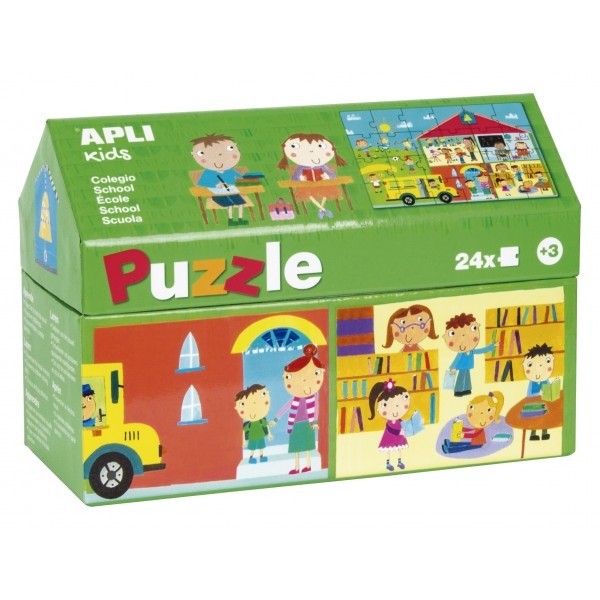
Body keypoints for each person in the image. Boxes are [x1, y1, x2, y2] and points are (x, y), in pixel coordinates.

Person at [271, 344, 325, 474]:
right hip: (295, 424)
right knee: (296, 447)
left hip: (307, 424)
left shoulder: (313, 398)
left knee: (306, 447)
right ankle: (296, 467)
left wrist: (315, 422)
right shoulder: (295, 399)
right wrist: (276, 419)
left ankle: (308, 465)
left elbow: (316, 409)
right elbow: (285, 408)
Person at [277, 133, 347, 219]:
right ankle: (323, 209)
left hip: (322, 183)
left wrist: (327, 177)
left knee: (327, 192)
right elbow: (295, 177)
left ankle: (321, 209)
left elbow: (331, 173)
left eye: (321, 146)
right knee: (308, 195)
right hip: (307, 185)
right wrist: (301, 178)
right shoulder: (301, 167)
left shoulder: (322, 166)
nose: (311, 151)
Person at [191, 134, 252, 227]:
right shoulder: (208, 172)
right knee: (230, 204)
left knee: (241, 203)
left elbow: (240, 177)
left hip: (232, 192)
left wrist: (239, 180)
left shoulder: (229, 170)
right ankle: (231, 220)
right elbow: (201, 183)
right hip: (218, 195)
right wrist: (215, 185)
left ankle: (240, 219)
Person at [444, 313, 498, 397]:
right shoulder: (461, 353)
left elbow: (481, 350)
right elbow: (456, 360)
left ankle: (467, 389)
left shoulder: (472, 351)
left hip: (467, 367)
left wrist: (492, 346)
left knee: (467, 378)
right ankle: (458, 391)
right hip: (461, 368)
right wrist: (453, 367)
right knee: (461, 378)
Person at [368, 379, 411, 471]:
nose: (395, 409)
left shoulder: (400, 421)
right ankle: (388, 463)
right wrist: (400, 432)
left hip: (400, 435)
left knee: (399, 448)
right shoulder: (390, 422)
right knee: (388, 449)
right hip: (390, 436)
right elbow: (390, 429)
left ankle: (399, 462)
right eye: (385, 405)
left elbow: (405, 425)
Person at [522, 343, 555, 441]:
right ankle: (533, 434)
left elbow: (549, 390)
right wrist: (538, 395)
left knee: (545, 417)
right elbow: (529, 395)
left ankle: (544, 433)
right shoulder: (532, 383)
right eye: (530, 365)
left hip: (544, 404)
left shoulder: (546, 380)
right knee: (534, 418)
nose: (539, 368)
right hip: (533, 406)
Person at [234, 384, 273, 464]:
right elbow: (244, 431)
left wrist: (269, 434)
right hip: (252, 437)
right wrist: (243, 440)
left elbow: (266, 425)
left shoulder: (261, 421)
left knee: (261, 447)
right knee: (252, 448)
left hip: (260, 436)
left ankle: (261, 457)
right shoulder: (249, 424)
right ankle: (251, 458)